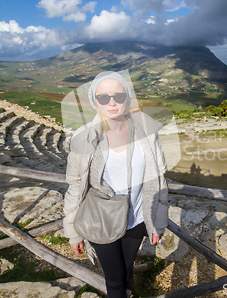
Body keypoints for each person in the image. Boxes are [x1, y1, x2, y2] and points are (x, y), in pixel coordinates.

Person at [63, 71, 169, 298]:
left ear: (127, 98)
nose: (112, 102)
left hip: (138, 218)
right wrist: (73, 233)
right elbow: (75, 188)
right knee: (115, 281)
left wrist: (157, 223)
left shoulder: (147, 132)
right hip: (102, 219)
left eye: (118, 96)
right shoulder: (85, 137)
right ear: (95, 102)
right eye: (103, 98)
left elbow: (158, 179)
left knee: (124, 272)